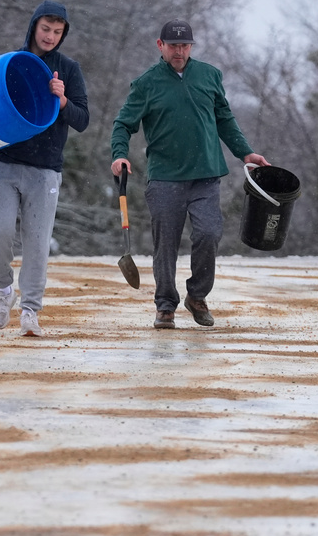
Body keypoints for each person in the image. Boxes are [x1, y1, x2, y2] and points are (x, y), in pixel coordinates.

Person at [110, 19, 269, 330]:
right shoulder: (146, 83)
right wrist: (119, 154)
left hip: (206, 174)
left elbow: (224, 118)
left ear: (192, 46)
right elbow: (122, 124)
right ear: (161, 46)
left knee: (209, 234)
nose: (179, 51)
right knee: (165, 244)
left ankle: (197, 297)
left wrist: (245, 153)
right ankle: (165, 305)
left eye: (184, 45)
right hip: (165, 177)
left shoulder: (209, 76)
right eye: (173, 45)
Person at [0, 0, 89, 337]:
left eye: (57, 32)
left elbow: (83, 119)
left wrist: (62, 100)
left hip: (45, 169)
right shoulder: (10, 64)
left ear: (63, 35)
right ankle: (4, 291)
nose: (50, 36)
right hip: (3, 163)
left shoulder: (69, 69)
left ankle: (31, 309)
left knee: (36, 242)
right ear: (34, 26)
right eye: (45, 29)